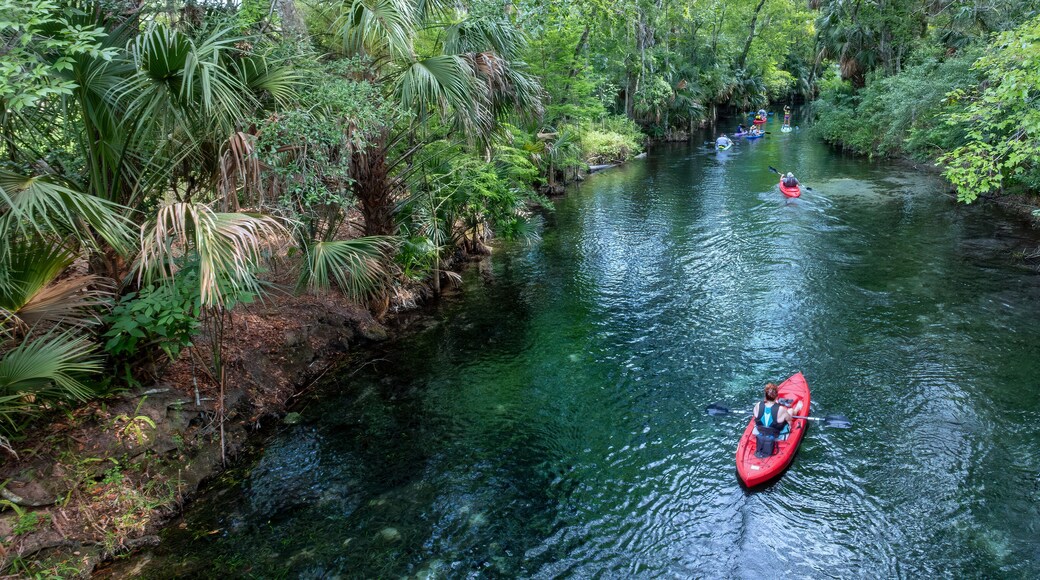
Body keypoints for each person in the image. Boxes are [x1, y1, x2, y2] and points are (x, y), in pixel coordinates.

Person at [753, 383, 804, 456]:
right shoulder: (781, 409)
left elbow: (755, 416)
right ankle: (798, 408)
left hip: (759, 431)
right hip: (777, 434)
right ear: (777, 397)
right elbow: (790, 420)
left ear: (765, 396)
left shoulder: (758, 405)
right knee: (790, 411)